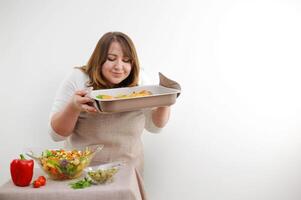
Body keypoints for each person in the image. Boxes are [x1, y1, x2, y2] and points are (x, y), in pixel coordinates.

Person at [48, 32, 171, 196]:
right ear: (98, 59)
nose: (119, 66)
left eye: (126, 60)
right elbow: (56, 135)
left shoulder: (141, 81)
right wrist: (73, 106)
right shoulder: (78, 78)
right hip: (81, 171)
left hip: (128, 171)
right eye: (111, 59)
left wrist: (165, 102)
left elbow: (154, 127)